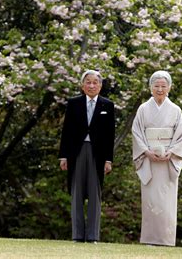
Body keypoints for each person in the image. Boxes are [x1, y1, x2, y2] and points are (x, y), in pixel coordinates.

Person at [131, 70, 182, 246]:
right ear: (150, 88)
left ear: (169, 88)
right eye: (156, 86)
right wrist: (146, 151)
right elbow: (137, 133)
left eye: (163, 86)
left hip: (167, 162)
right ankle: (149, 239)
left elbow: (181, 135)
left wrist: (171, 152)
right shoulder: (143, 109)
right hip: (149, 161)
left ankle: (166, 239)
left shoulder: (176, 110)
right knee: (150, 200)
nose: (160, 89)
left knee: (167, 201)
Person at [59, 70, 115, 243]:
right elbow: (66, 131)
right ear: (83, 85)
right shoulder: (74, 103)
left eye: (95, 82)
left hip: (97, 154)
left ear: (100, 85)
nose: (91, 85)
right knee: (76, 192)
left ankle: (92, 236)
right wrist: (63, 156)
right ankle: (77, 235)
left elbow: (110, 135)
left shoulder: (107, 105)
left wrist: (108, 159)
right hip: (76, 152)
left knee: (94, 193)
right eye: (88, 82)